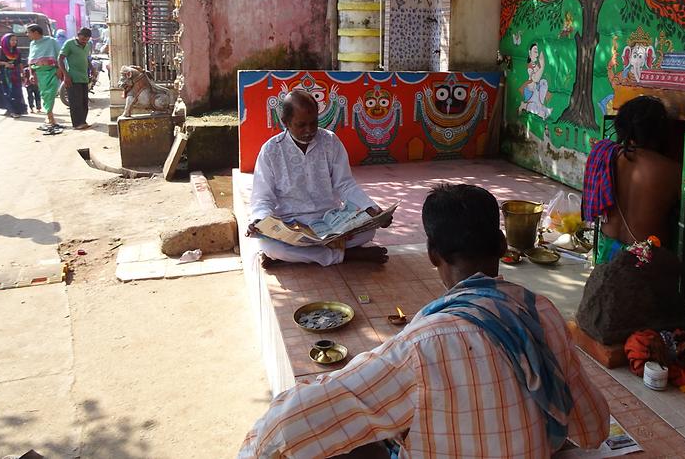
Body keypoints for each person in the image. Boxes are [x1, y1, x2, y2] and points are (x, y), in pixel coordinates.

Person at [239, 184, 610, 458]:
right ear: (501, 245)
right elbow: (594, 427)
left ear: (433, 255)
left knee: (355, 439)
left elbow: (285, 427)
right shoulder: (541, 311)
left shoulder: (423, 343)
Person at [248, 90, 391, 267]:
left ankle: (299, 257)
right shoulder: (270, 151)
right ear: (285, 123)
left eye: (313, 123)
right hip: (291, 225)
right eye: (301, 125)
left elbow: (345, 184)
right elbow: (262, 199)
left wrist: (372, 209)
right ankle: (348, 256)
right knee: (270, 245)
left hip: (329, 221)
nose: (309, 130)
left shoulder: (330, 141)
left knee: (368, 232)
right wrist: (259, 221)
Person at [582, 95, 681, 264]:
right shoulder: (673, 170)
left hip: (607, 250)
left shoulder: (607, 157)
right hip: (645, 257)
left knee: (604, 287)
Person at [26, 24, 61, 130]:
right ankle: (49, 116)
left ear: (36, 32)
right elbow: (30, 60)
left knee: (51, 93)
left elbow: (60, 55)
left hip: (52, 71)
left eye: (29, 32)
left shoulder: (51, 41)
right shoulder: (32, 44)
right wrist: (32, 74)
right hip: (39, 74)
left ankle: (50, 115)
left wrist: (60, 70)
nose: (27, 35)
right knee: (45, 95)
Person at [58, 27, 93, 130]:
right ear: (78, 35)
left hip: (84, 78)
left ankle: (83, 121)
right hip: (72, 77)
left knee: (84, 102)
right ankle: (77, 124)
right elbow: (60, 58)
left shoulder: (87, 46)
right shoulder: (69, 43)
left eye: (86, 40)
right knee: (75, 102)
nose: (84, 41)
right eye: (82, 39)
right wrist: (65, 75)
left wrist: (92, 68)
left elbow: (86, 58)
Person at [0, 33, 28, 118]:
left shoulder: (17, 51)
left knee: (16, 92)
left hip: (15, 75)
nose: (14, 42)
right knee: (6, 92)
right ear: (6, 41)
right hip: (3, 75)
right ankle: (12, 111)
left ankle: (15, 109)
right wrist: (4, 63)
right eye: (12, 40)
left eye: (15, 40)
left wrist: (23, 74)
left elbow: (19, 63)